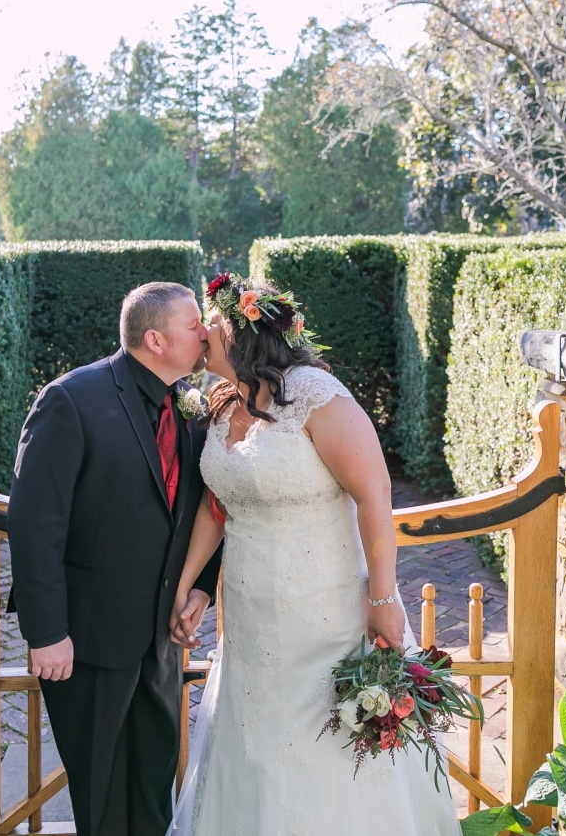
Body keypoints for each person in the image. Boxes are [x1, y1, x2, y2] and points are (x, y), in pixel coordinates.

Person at [166, 274, 461, 835]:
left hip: (324, 613)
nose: (202, 332)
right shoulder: (221, 402)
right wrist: (185, 585)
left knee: (329, 742)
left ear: (243, 331)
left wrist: (383, 596)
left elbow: (374, 493)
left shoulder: (315, 394)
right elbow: (215, 506)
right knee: (253, 734)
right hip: (251, 617)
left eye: (213, 322)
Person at [7, 281, 222, 836]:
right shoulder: (71, 400)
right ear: (155, 338)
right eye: (194, 323)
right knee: (101, 802)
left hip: (161, 643)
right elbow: (36, 525)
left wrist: (202, 588)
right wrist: (47, 631)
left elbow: (208, 506)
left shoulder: (193, 408)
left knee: (152, 793)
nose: (206, 332)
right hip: (89, 642)